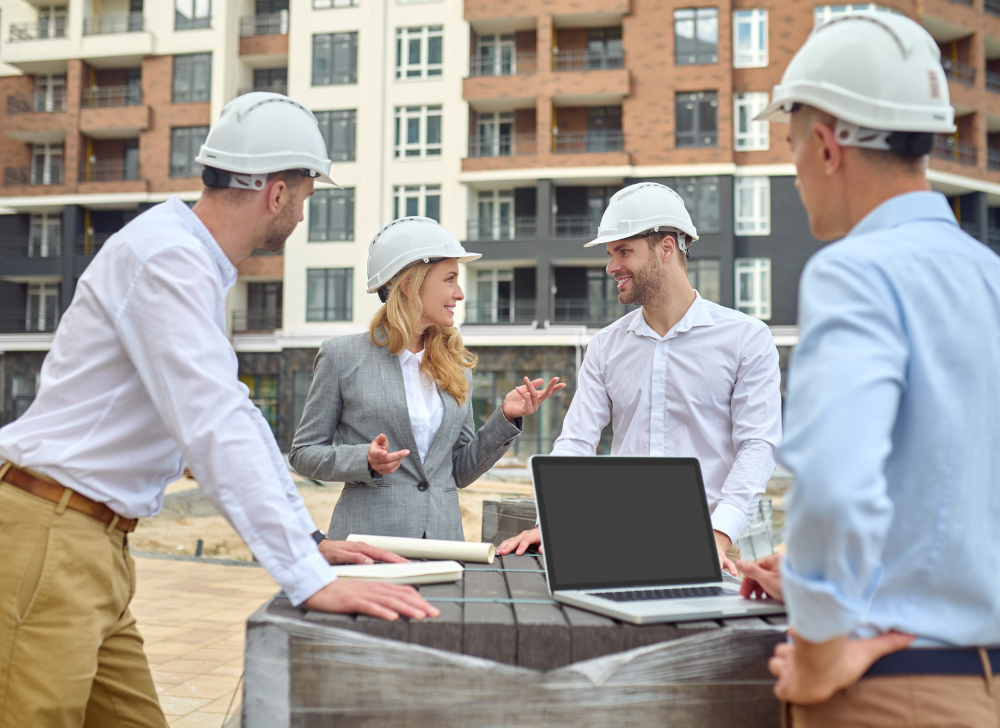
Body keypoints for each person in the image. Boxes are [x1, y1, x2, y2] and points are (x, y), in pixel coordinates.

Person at [0, 93, 438, 728]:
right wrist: (306, 579)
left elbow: (235, 415)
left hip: (95, 545)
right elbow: (216, 426)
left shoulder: (189, 262)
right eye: (308, 197)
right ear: (277, 193)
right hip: (51, 537)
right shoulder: (167, 259)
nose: (304, 214)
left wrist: (311, 545)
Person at [739, 13, 1000, 725]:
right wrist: (812, 573)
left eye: (791, 147)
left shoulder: (854, 274)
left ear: (826, 147)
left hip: (888, 694)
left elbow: (837, 487)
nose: (794, 173)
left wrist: (820, 650)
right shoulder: (990, 278)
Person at [498, 183, 782, 575]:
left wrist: (718, 536)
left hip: (710, 544)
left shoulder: (746, 338)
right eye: (610, 253)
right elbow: (578, 441)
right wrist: (550, 522)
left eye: (623, 251)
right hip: (617, 540)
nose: (611, 266)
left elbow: (758, 445)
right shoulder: (606, 346)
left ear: (667, 248)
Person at [289, 216, 565, 541]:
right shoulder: (341, 356)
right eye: (449, 279)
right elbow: (303, 453)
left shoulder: (456, 365)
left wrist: (504, 418)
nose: (459, 293)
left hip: (444, 543)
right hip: (369, 543)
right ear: (408, 283)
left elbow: (459, 471)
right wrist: (362, 459)